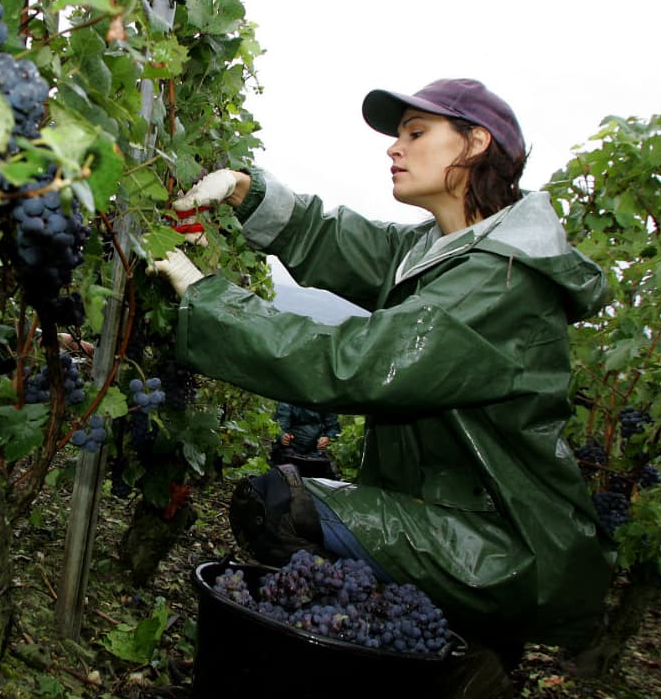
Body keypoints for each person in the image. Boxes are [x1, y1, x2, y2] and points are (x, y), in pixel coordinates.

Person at [154, 78, 614, 688]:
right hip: (450, 518)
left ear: (476, 144)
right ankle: (443, 651)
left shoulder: (501, 282)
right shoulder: (449, 251)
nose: (394, 148)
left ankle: (452, 659)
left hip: (505, 547)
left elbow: (355, 364)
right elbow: (337, 241)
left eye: (416, 133)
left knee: (281, 508)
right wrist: (244, 190)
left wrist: (208, 297)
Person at [270, 401, 341, 478]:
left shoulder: (324, 400)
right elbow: (280, 425)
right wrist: (282, 436)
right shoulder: (288, 399)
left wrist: (328, 438)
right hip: (290, 451)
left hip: (316, 452)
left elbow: (333, 427)